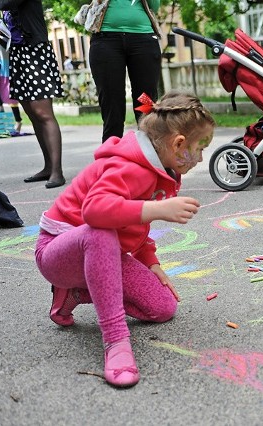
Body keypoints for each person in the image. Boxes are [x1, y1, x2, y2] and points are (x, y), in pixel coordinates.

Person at [34, 92, 215, 388]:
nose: (200, 158)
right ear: (178, 143)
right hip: (58, 255)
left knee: (162, 307)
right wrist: (158, 208)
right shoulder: (130, 167)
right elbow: (95, 212)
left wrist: (150, 262)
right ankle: (116, 340)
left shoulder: (161, 168)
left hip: (99, 256)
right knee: (100, 228)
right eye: (200, 148)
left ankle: (74, 295)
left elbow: (133, 224)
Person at [0, 0, 66, 188]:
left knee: (43, 113)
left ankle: (57, 172)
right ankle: (48, 166)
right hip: (17, 53)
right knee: (33, 114)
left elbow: (5, 3)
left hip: (34, 51)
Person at [89, 0, 163, 143]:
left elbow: (154, 6)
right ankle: (111, 158)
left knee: (145, 99)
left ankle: (151, 152)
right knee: (112, 100)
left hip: (143, 40)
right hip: (106, 40)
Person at [0, 37, 22, 133]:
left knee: (11, 98)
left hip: (5, 69)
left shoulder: (4, 38)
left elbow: (8, 47)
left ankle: (18, 121)